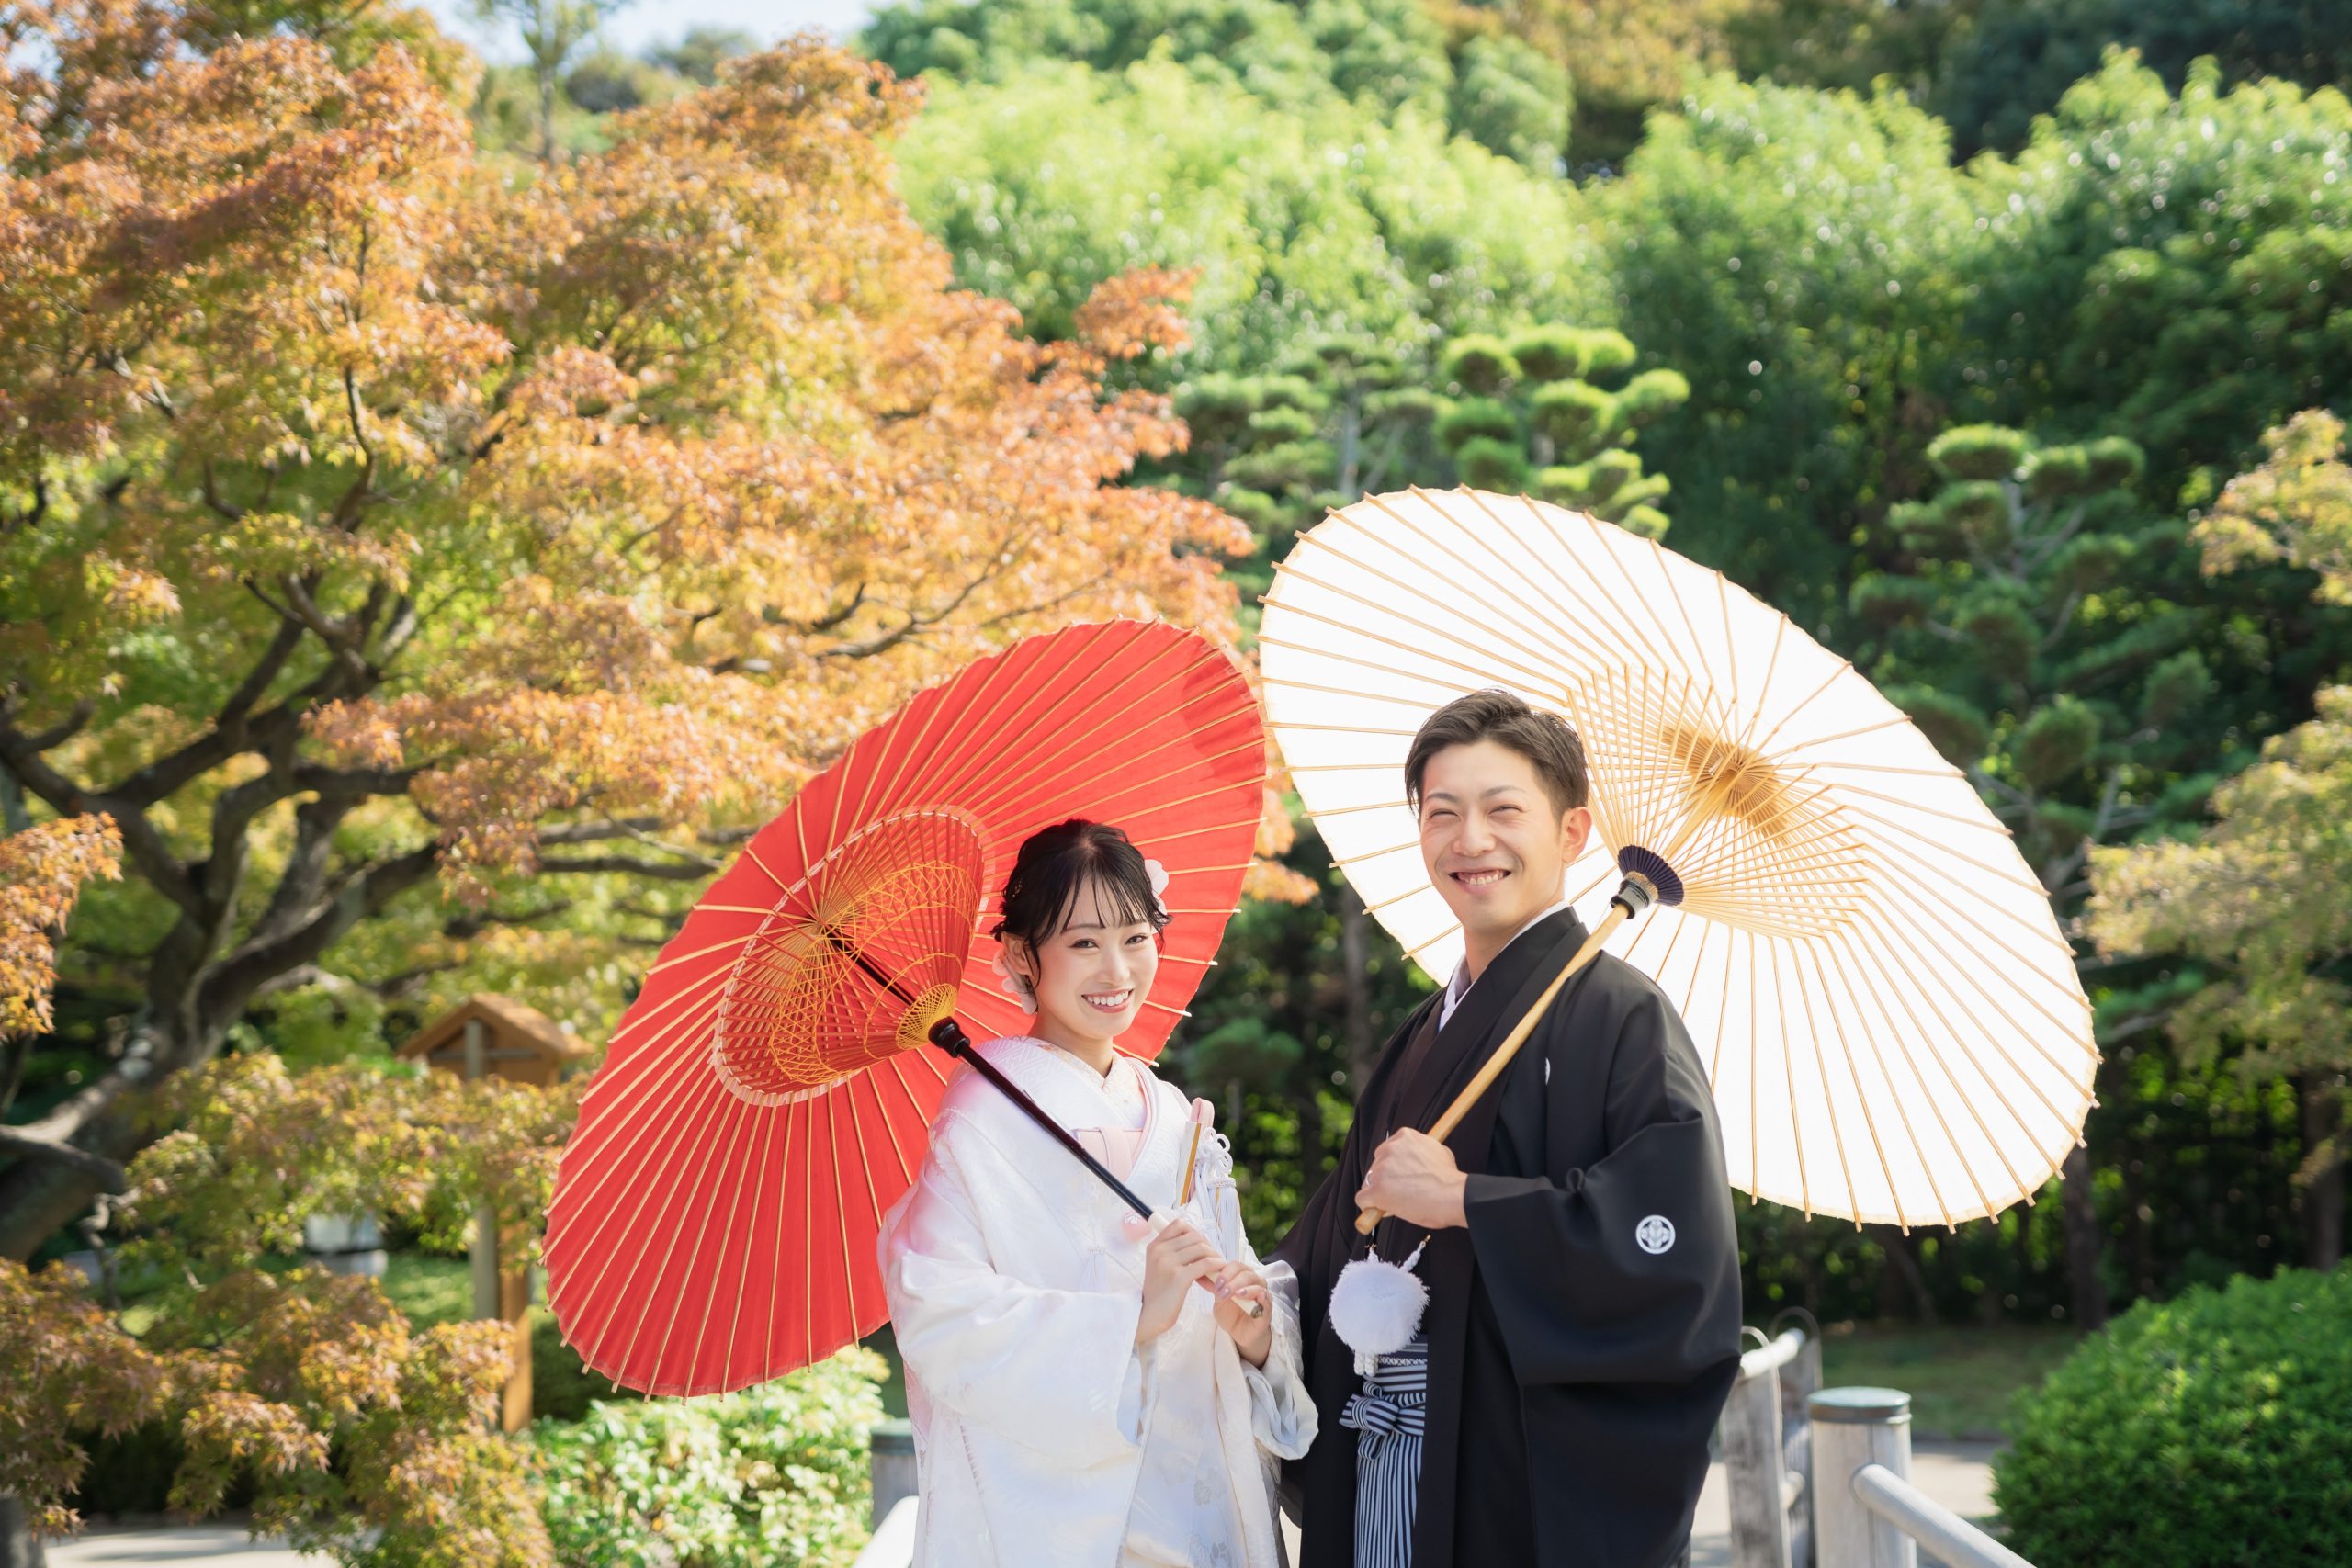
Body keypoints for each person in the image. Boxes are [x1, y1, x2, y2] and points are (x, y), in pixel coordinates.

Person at [1277, 689, 1743, 1568]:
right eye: (1442, 812)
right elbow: (1338, 1235)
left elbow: (1675, 1257)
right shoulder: (1423, 1034)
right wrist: (1263, 1310)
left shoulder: (1623, 1018)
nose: (1471, 841)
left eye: (1503, 811)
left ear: (1572, 834)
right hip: (1382, 1450)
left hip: (1516, 1472)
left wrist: (1469, 1201)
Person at [879, 819, 1317, 1568]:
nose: (1116, 969)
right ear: (1021, 954)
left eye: (1136, 936)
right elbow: (937, 1308)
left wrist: (1253, 1329)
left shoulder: (1174, 1111)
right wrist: (1130, 1319)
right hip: (1082, 1519)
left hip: (1204, 1487)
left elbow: (1236, 1278)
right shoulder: (985, 1118)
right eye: (1083, 943)